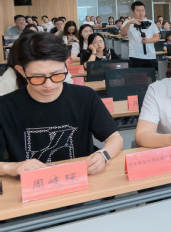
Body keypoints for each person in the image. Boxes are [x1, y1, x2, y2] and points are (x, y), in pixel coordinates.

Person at [0, 33, 123, 176]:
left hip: (81, 179)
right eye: (38, 77)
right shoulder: (5, 107)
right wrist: (11, 168)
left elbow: (115, 138)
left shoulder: (85, 97)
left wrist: (104, 155)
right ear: (21, 71)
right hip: (31, 185)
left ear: (66, 64)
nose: (49, 85)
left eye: (57, 75)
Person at [119, 1, 160, 69]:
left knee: (151, 75)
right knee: (136, 75)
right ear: (133, 11)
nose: (141, 13)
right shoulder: (128, 22)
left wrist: (148, 41)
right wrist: (130, 23)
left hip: (150, 55)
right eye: (138, 11)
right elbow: (122, 33)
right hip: (135, 55)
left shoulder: (150, 22)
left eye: (143, 10)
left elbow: (157, 37)